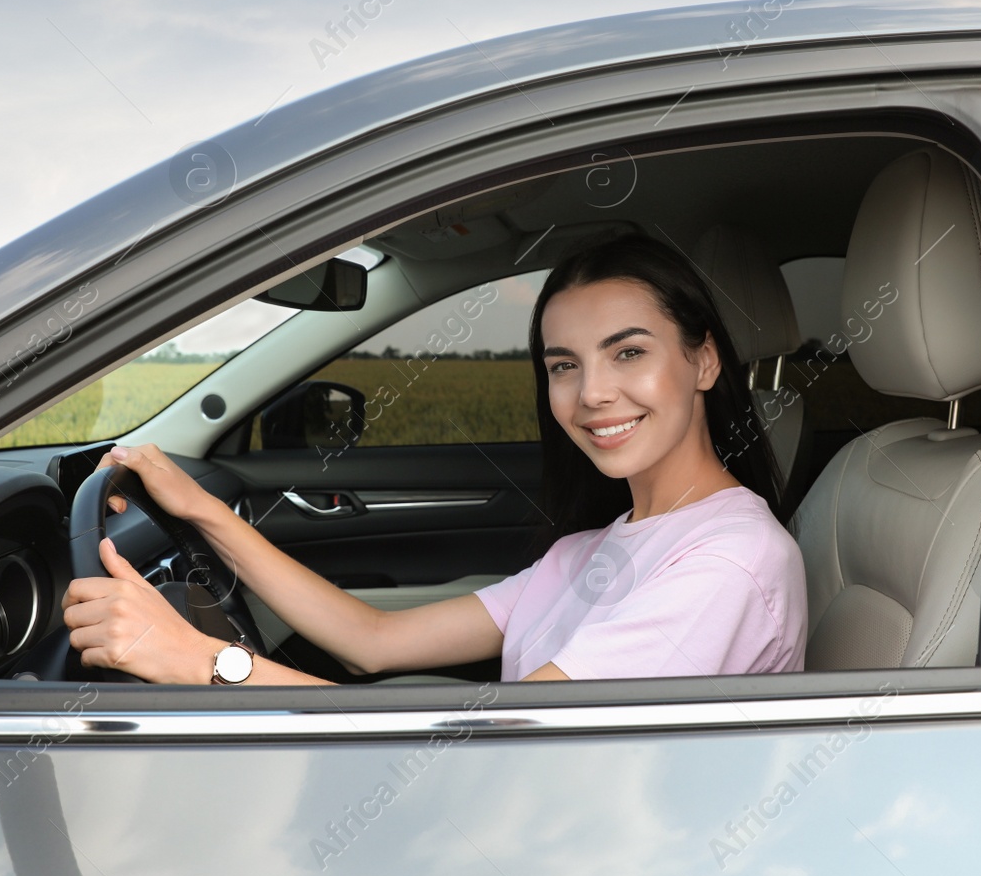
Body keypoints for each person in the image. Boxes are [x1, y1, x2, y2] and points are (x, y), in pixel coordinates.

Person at [64, 233, 807, 684]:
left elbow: (495, 750)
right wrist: (200, 511)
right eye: (563, 365)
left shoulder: (728, 563)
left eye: (629, 353)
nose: (592, 395)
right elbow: (373, 641)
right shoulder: (594, 549)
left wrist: (201, 661)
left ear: (704, 360)